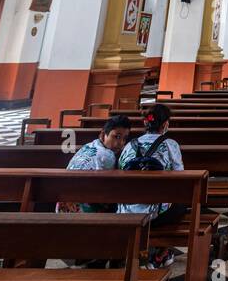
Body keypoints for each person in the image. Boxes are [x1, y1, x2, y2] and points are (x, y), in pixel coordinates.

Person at [118, 104, 185, 268]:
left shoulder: (129, 145)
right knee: (181, 204)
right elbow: (181, 177)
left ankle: (133, 252)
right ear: (165, 124)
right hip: (157, 215)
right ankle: (162, 253)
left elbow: (120, 171)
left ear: (145, 123)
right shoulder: (171, 145)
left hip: (126, 211)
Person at [57, 115, 130, 213]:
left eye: (124, 138)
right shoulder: (108, 156)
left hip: (61, 206)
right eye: (116, 137)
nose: (121, 143)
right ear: (103, 134)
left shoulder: (87, 146)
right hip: (80, 212)